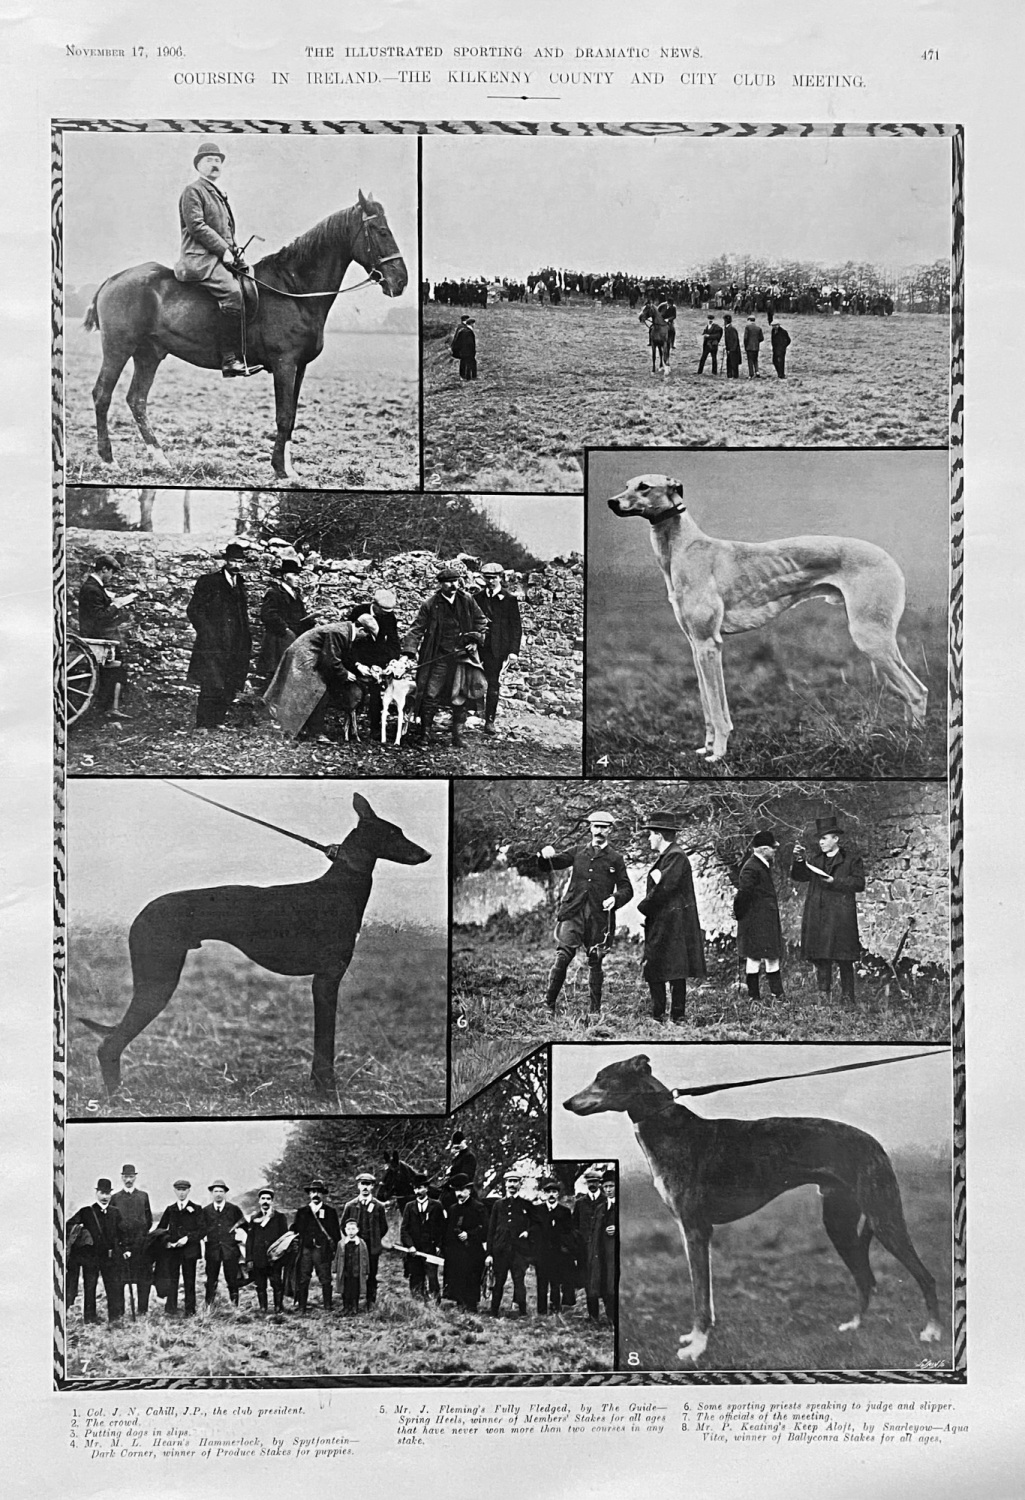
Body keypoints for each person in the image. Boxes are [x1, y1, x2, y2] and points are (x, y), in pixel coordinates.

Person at [534, 810, 634, 1017]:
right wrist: (543, 855)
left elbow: (627, 889)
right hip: (574, 912)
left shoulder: (616, 858)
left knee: (595, 960)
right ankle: (548, 1005)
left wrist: (615, 899)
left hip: (599, 918)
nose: (599, 831)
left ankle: (595, 1011)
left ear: (610, 830)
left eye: (604, 827)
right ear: (590, 828)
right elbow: (551, 864)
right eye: (596, 827)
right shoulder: (578, 851)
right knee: (563, 956)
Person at [173, 140, 260, 377]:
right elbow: (197, 226)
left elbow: (224, 231)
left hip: (218, 257)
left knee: (252, 284)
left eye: (218, 161)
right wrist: (224, 251)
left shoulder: (218, 194)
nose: (215, 164)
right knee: (233, 293)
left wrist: (236, 252)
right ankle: (229, 359)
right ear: (198, 165)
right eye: (209, 160)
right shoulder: (193, 190)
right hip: (200, 259)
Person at [402, 565, 488, 748]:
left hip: (462, 657)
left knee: (460, 694)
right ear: (440, 584)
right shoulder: (430, 604)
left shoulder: (467, 600)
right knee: (430, 693)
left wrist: (475, 640)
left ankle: (458, 736)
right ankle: (425, 735)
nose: (453, 585)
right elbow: (416, 629)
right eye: (448, 582)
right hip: (438, 656)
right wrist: (408, 652)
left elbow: (481, 621)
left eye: (455, 581)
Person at [637, 810, 707, 1024]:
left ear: (659, 835)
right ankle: (663, 1015)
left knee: (673, 969)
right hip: (666, 922)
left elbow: (664, 889)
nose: (649, 838)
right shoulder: (670, 856)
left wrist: (644, 907)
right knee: (661, 967)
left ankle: (674, 1016)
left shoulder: (675, 856)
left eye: (651, 834)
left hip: (672, 925)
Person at [263, 617, 378, 741]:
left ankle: (306, 728)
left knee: (318, 689)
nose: (364, 638)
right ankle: (313, 732)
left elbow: (340, 654)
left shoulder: (345, 629)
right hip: (304, 657)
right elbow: (331, 660)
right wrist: (345, 674)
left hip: (309, 655)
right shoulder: (340, 633)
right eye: (367, 635)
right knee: (318, 689)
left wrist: (357, 665)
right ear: (361, 630)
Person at [791, 815, 866, 1002]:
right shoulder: (816, 860)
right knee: (822, 955)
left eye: (824, 838)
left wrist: (835, 882)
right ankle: (824, 996)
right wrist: (799, 860)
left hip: (841, 916)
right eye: (820, 839)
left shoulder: (851, 860)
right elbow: (799, 876)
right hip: (820, 915)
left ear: (836, 839)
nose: (821, 842)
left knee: (844, 958)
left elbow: (859, 883)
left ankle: (848, 997)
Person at [186, 541, 252, 729]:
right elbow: (194, 610)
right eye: (233, 561)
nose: (237, 565)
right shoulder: (209, 581)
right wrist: (207, 633)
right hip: (213, 644)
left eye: (240, 562)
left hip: (235, 643)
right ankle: (203, 723)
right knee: (211, 682)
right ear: (225, 561)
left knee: (229, 681)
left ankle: (218, 720)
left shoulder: (239, 583)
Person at [77, 553, 133, 717]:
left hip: (102, 634)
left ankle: (110, 708)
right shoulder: (92, 588)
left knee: (115, 669)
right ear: (104, 569)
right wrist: (116, 605)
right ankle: (110, 709)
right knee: (116, 668)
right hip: (98, 635)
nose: (112, 577)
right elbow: (99, 617)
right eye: (112, 572)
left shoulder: (94, 587)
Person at [67, 1179, 127, 1324]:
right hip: (91, 1258)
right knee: (90, 1287)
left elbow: (122, 1233)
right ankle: (90, 1319)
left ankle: (114, 1318)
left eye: (108, 1193)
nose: (105, 1197)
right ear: (96, 1193)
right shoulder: (86, 1211)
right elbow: (70, 1226)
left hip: (109, 1257)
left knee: (113, 1287)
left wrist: (125, 1249)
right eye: (102, 1193)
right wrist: (84, 1235)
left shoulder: (115, 1212)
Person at [734, 830, 785, 1001]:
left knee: (770, 956)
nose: (774, 851)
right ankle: (755, 996)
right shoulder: (752, 867)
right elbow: (743, 894)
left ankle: (775, 994)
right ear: (764, 849)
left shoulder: (760, 865)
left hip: (763, 921)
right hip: (756, 922)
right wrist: (739, 914)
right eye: (772, 848)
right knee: (755, 957)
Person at [472, 563, 523, 735]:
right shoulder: (477, 597)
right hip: (479, 646)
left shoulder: (509, 598)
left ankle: (489, 721)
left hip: (497, 648)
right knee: (474, 679)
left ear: (501, 577)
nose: (491, 581)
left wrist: (513, 651)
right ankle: (473, 713)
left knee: (493, 683)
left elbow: (516, 627)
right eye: (487, 578)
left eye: (494, 578)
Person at [347, 588, 404, 737]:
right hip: (358, 656)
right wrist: (357, 663)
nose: (386, 614)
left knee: (376, 692)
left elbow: (393, 641)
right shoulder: (358, 611)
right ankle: (352, 727)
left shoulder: (390, 617)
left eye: (388, 611)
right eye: (383, 611)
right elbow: (349, 640)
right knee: (356, 691)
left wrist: (391, 659)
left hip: (377, 659)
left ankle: (375, 727)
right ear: (375, 605)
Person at [256, 558, 316, 682]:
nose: (298, 578)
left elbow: (300, 617)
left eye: (298, 575)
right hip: (279, 638)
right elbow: (268, 615)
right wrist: (286, 629)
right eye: (294, 575)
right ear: (284, 576)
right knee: (278, 672)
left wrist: (312, 620)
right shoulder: (274, 593)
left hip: (294, 638)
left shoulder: (296, 595)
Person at [486, 1170, 533, 1318]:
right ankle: (493, 1312)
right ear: (505, 1184)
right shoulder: (498, 1205)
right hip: (500, 1250)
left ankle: (523, 1312)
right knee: (498, 1281)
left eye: (515, 1181)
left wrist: (527, 1232)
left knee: (519, 1281)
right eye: (509, 1182)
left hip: (518, 1251)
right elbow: (491, 1229)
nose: (512, 1185)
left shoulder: (526, 1205)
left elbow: (535, 1225)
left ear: (520, 1184)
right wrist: (489, 1254)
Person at [290, 1180, 341, 1313]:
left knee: (325, 1278)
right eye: (313, 1192)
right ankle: (302, 1306)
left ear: (322, 1194)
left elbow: (336, 1233)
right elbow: (294, 1230)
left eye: (318, 1192)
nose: (316, 1195)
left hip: (322, 1250)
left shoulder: (330, 1212)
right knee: (303, 1278)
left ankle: (328, 1305)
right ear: (309, 1194)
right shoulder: (302, 1212)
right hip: (306, 1250)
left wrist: (334, 1251)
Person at [156, 1178, 204, 1317]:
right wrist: (167, 1242)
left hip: (190, 1251)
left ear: (189, 1191)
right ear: (175, 1191)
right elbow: (161, 1229)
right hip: (173, 1252)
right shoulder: (170, 1209)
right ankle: (171, 1309)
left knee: (190, 1280)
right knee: (172, 1280)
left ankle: (190, 1310)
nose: (181, 1193)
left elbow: (202, 1230)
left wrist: (187, 1239)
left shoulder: (196, 1209)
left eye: (184, 1190)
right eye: (179, 1190)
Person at [340, 1173, 390, 1309]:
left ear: (372, 1186)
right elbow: (343, 1224)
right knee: (352, 1273)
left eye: (368, 1184)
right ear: (358, 1186)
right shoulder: (350, 1205)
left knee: (371, 1273)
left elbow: (384, 1226)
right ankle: (351, 1302)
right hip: (354, 1246)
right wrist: (351, 1238)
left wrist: (375, 1238)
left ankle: (370, 1301)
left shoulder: (378, 1206)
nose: (365, 1187)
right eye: (363, 1184)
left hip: (371, 1245)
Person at [111, 1163, 152, 1315]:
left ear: (135, 1177)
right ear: (122, 1178)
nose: (128, 1179)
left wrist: (140, 1238)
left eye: (131, 1176)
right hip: (122, 1245)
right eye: (126, 1177)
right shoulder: (115, 1198)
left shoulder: (143, 1196)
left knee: (143, 1278)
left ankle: (142, 1310)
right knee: (120, 1279)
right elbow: (113, 1221)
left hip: (140, 1245)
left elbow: (147, 1220)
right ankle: (120, 1311)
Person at [442, 1176, 488, 1312]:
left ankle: (471, 1305)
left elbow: (485, 1228)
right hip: (456, 1250)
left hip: (472, 1250)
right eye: (456, 1191)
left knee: (472, 1277)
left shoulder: (478, 1207)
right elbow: (448, 1229)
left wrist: (470, 1234)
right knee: (457, 1275)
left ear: (468, 1190)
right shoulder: (453, 1209)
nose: (459, 1194)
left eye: (462, 1190)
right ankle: (459, 1303)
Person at [531, 1178, 576, 1316]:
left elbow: (568, 1232)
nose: (551, 1195)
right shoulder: (537, 1210)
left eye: (554, 1192)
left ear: (558, 1194)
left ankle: (556, 1308)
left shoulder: (564, 1212)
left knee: (556, 1282)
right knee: (541, 1283)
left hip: (558, 1253)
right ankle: (542, 1311)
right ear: (544, 1194)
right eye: (548, 1192)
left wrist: (565, 1249)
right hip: (542, 1253)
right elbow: (534, 1231)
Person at [572, 1167, 611, 1324]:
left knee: (606, 1281)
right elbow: (574, 1227)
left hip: (602, 1249)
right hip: (585, 1250)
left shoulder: (605, 1201)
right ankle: (593, 1316)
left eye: (595, 1182)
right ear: (586, 1184)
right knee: (589, 1283)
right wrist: (578, 1246)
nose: (592, 1185)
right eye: (590, 1182)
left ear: (600, 1184)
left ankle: (610, 1316)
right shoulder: (580, 1203)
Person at [202, 1178, 247, 1308]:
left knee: (232, 1279)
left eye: (221, 1191)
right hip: (212, 1250)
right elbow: (200, 1229)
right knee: (211, 1280)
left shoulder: (233, 1209)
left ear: (225, 1193)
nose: (218, 1194)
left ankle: (235, 1306)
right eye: (215, 1191)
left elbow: (245, 1226)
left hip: (230, 1250)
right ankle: (209, 1306)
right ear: (211, 1193)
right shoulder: (206, 1211)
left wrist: (241, 1237)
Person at [400, 1176, 444, 1303]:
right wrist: (410, 1246)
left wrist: (438, 1245)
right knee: (416, 1277)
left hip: (430, 1249)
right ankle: (417, 1303)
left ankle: (435, 1303)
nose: (417, 1191)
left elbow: (442, 1228)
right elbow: (404, 1230)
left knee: (432, 1277)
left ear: (426, 1188)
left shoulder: (436, 1206)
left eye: (420, 1188)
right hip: (414, 1250)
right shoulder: (409, 1207)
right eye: (415, 1188)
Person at [245, 1188, 289, 1314]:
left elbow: (284, 1239)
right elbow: (250, 1240)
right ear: (259, 1201)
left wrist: (282, 1257)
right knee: (260, 1284)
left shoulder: (280, 1217)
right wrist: (249, 1258)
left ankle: (278, 1307)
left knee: (276, 1283)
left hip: (275, 1258)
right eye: (263, 1199)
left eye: (268, 1199)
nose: (265, 1201)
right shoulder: (254, 1218)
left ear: (272, 1201)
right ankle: (263, 1308)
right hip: (258, 1257)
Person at [335, 1219, 371, 1315]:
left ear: (357, 1230)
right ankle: (346, 1307)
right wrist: (335, 1269)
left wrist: (366, 1270)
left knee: (355, 1288)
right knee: (345, 1288)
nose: (351, 1231)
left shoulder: (362, 1243)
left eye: (353, 1229)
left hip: (356, 1270)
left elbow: (366, 1258)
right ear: (345, 1230)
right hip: (345, 1270)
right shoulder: (341, 1243)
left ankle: (355, 1307)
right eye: (349, 1229)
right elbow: (337, 1257)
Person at [451, 314, 478, 379]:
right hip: (467, 351)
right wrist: (472, 351)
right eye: (473, 324)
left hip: (463, 351)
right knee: (469, 363)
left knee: (465, 363)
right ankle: (469, 377)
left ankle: (465, 376)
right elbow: (469, 343)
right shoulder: (467, 332)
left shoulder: (463, 329)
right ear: (471, 324)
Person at [723, 312, 742, 378]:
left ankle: (734, 375)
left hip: (733, 350)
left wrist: (731, 349)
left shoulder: (731, 329)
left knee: (733, 363)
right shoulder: (727, 328)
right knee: (729, 362)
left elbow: (734, 340)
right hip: (730, 349)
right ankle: (730, 375)